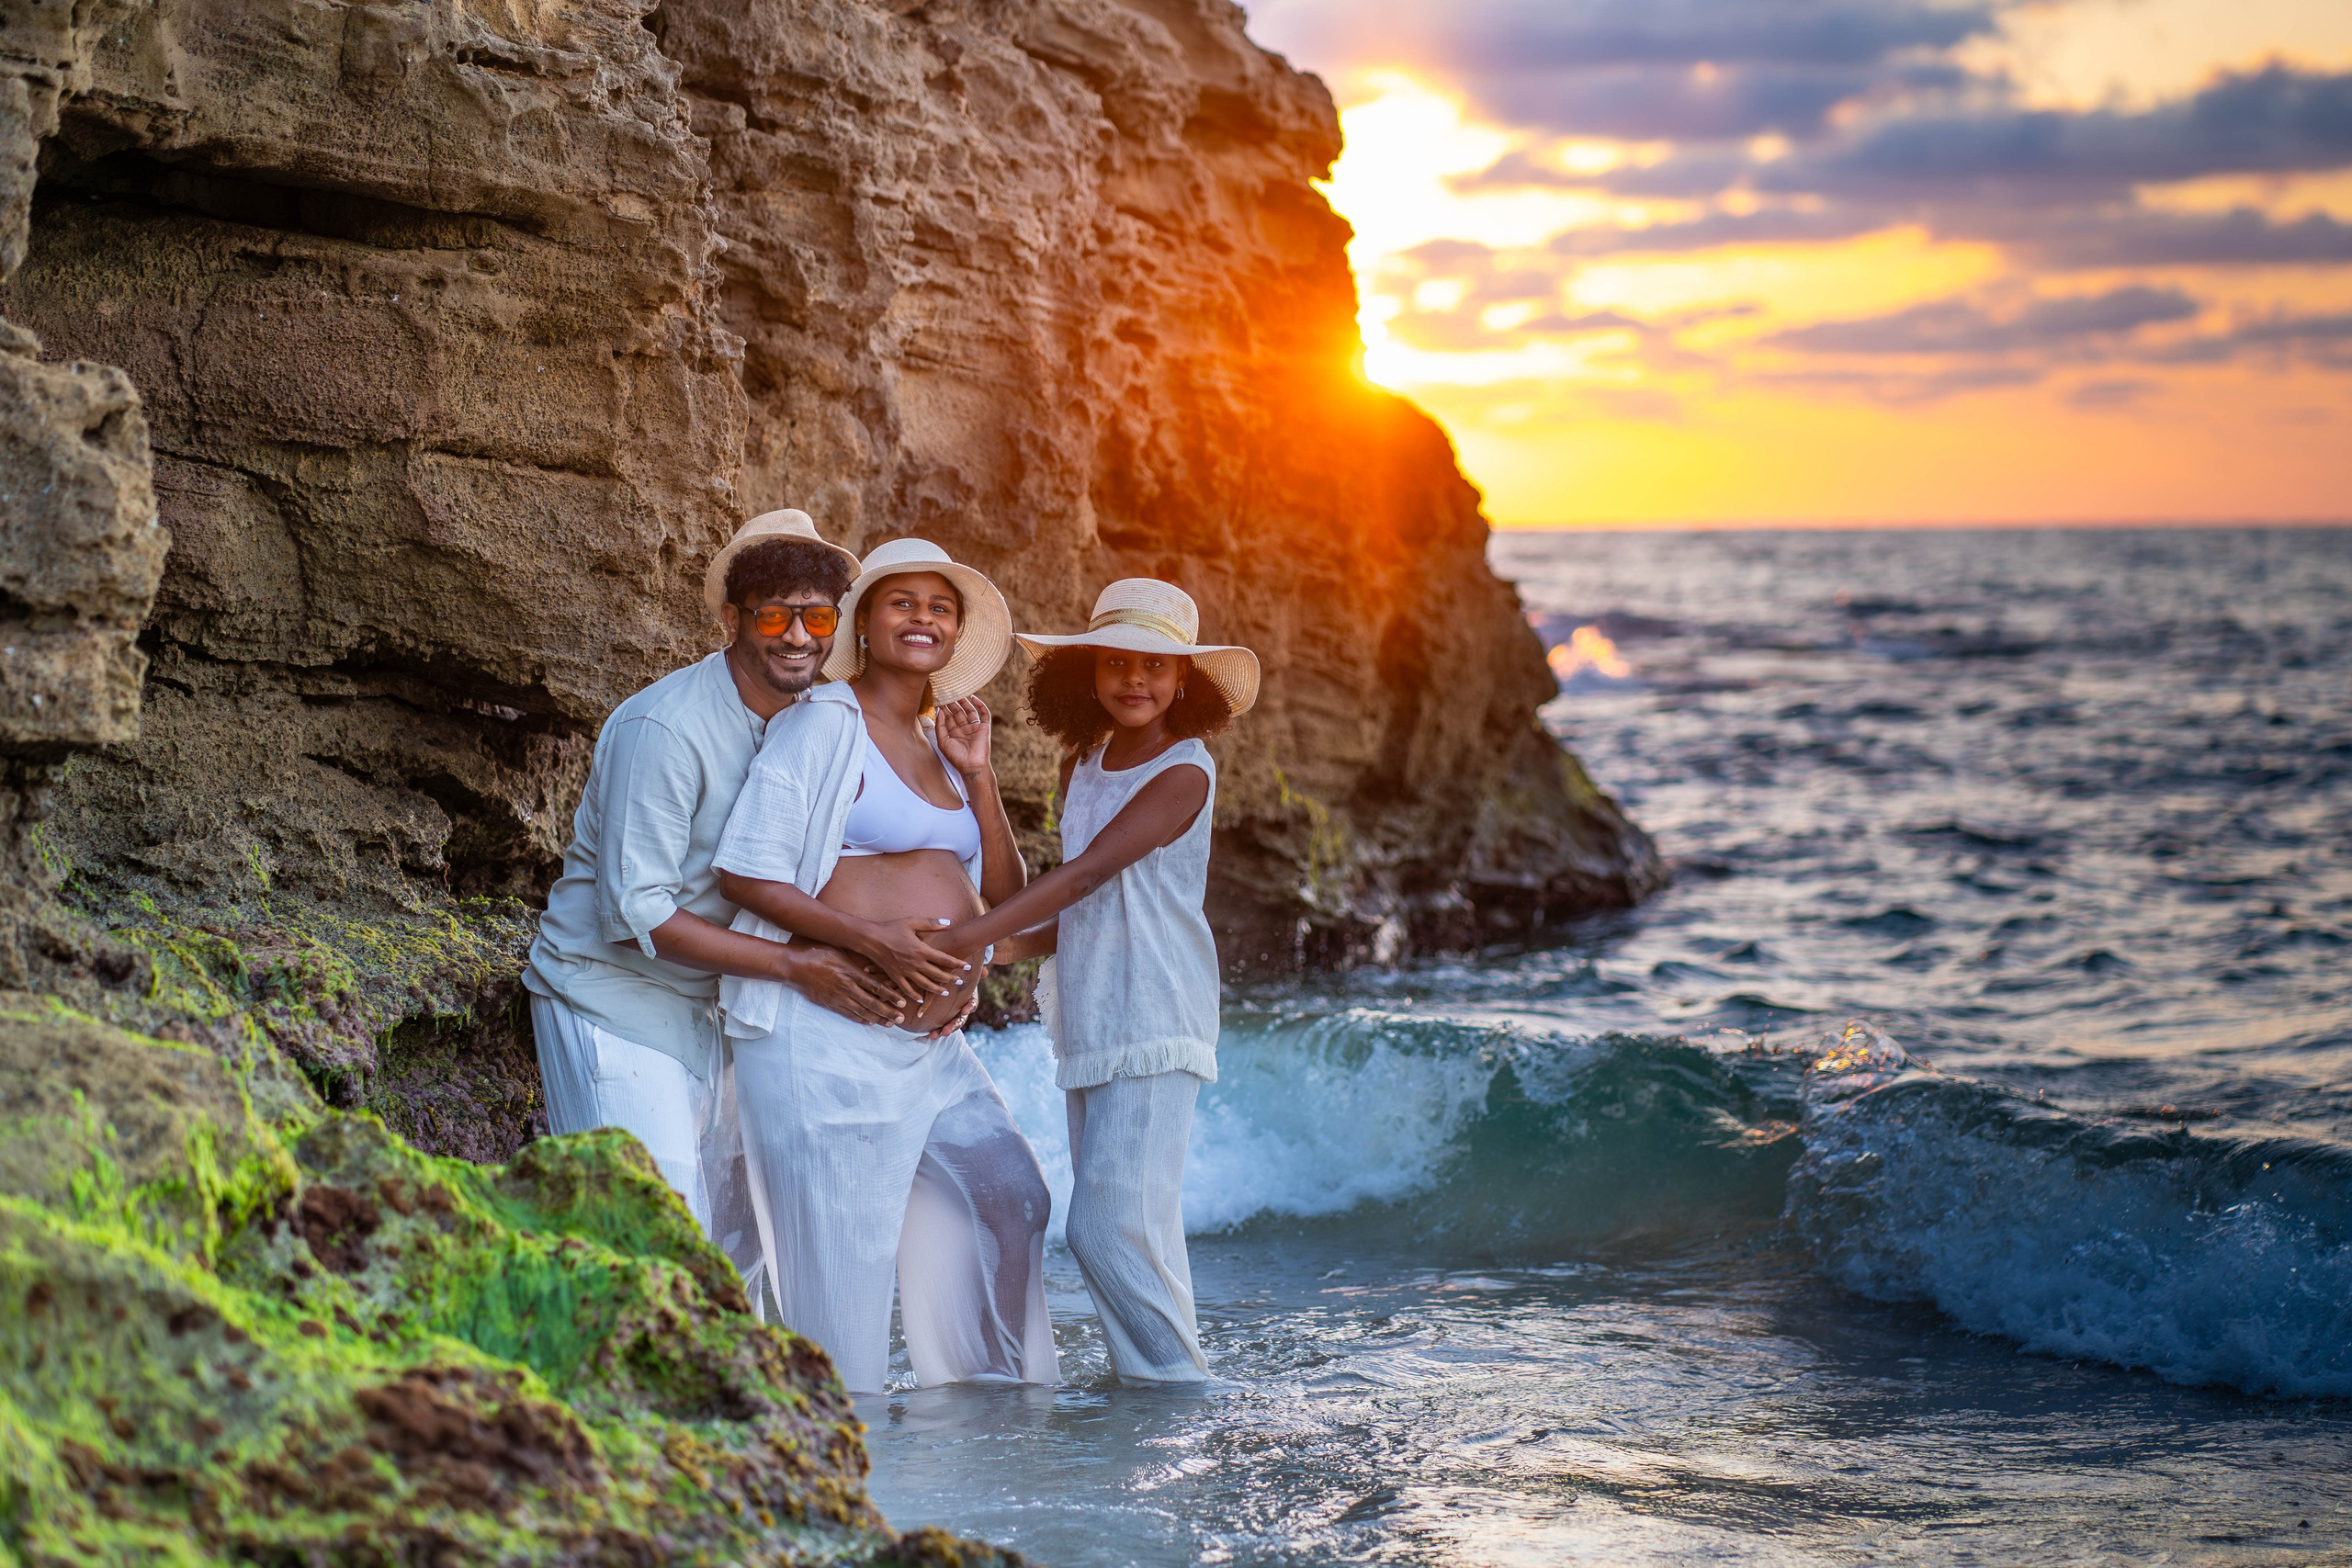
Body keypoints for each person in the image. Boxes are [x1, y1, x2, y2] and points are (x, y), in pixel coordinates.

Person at [521, 510, 930, 1245]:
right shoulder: (666, 728)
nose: (799, 636)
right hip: (615, 1003)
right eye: (774, 615)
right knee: (655, 1244)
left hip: (733, 1015)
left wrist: (938, 975)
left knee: (747, 1255)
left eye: (816, 615)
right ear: (731, 619)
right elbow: (637, 913)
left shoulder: (820, 723)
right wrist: (798, 965)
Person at [711, 538, 1058, 1394]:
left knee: (1014, 1199)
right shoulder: (825, 722)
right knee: (843, 1288)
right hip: (824, 1040)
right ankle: (837, 1468)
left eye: (940, 607)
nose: (924, 618)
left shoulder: (943, 747)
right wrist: (877, 944)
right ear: (863, 621)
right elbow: (744, 869)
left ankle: (988, 1415)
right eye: (902, 602)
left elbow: (1004, 903)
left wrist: (979, 779)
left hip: (929, 1048)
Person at [927, 578, 1258, 1385]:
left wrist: (968, 938)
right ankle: (1148, 1405)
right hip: (1092, 1017)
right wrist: (979, 784)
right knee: (1138, 1232)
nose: (1134, 679)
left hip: (1156, 1014)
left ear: (1188, 680)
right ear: (1088, 672)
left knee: (1104, 1231)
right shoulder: (1086, 761)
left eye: (1156, 665)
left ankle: (1185, 1393)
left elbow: (1084, 876)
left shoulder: (1186, 773)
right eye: (1116, 660)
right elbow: (1052, 906)